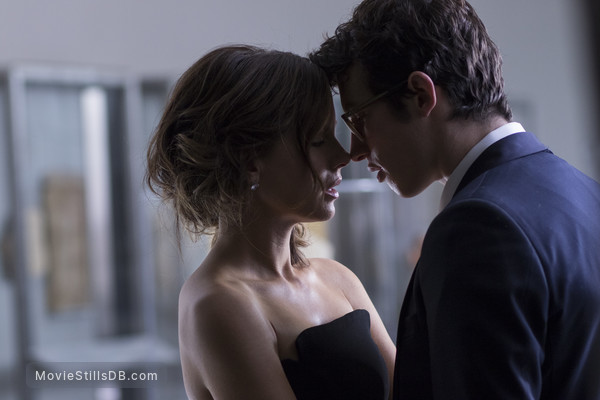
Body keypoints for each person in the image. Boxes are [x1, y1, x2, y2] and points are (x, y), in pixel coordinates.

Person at [309, 0, 600, 399]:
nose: (355, 151)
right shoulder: (585, 191)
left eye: (359, 120)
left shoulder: (477, 226)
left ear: (420, 95)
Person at [146, 45, 395, 400]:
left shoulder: (338, 279)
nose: (343, 156)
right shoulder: (218, 303)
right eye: (318, 140)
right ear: (249, 160)